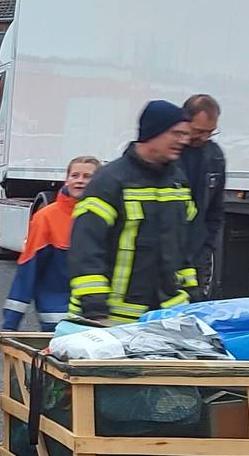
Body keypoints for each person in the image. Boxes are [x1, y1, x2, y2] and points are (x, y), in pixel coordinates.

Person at [68, 101, 198, 323]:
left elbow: (183, 247)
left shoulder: (178, 181)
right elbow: (86, 251)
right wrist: (96, 311)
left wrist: (193, 296)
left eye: (186, 134)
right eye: (177, 134)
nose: (184, 140)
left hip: (167, 316)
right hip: (109, 319)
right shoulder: (109, 181)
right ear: (153, 133)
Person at [1, 155, 99, 331]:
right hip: (58, 319)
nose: (80, 181)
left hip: (99, 318)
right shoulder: (46, 218)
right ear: (66, 180)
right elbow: (27, 271)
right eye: (75, 175)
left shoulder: (108, 217)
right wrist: (10, 324)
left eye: (87, 176)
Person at [178, 93, 227, 298]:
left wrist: (207, 247)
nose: (204, 137)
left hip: (196, 256)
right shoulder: (170, 153)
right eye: (199, 131)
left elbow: (215, 209)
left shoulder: (215, 157)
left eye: (210, 132)